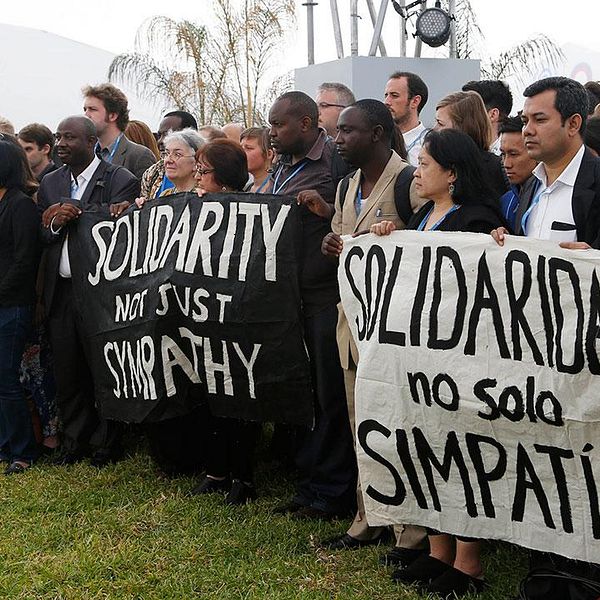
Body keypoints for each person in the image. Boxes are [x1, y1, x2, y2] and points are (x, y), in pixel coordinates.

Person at [371, 129, 506, 598]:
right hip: (419, 359)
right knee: (426, 450)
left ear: (451, 173)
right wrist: (390, 237)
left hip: (460, 360)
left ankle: (469, 565)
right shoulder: (426, 213)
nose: (418, 171)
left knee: (460, 454)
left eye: (426, 164)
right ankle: (437, 551)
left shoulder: (478, 219)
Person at [492, 75, 600, 596]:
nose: (527, 130)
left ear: (574, 124)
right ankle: (551, 563)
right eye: (526, 119)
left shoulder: (597, 185)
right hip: (538, 357)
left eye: (540, 120)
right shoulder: (530, 192)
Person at [317, 99, 427, 559]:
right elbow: (344, 244)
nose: (338, 139)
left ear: (378, 133)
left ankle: (411, 533)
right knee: (360, 425)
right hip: (352, 328)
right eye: (338, 131)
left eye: (348, 131)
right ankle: (368, 518)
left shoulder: (408, 182)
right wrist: (334, 243)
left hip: (396, 334)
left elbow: (434, 245)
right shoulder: (345, 187)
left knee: (400, 427)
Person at [265, 91, 357, 521]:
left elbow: (351, 221)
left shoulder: (336, 163)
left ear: (305, 123)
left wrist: (326, 211)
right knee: (305, 396)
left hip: (327, 297)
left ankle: (333, 491)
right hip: (289, 298)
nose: (272, 133)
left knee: (330, 397)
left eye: (279, 125)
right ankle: (308, 484)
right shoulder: (280, 165)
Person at [38, 115, 139, 467]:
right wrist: (52, 222)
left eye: (70, 137)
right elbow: (44, 235)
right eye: (58, 137)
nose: (62, 143)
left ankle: (107, 443)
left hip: (101, 292)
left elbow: (122, 228)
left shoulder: (119, 179)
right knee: (68, 370)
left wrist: (76, 211)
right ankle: (74, 440)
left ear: (92, 141)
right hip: (62, 290)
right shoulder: (50, 182)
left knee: (103, 369)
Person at [189, 138, 259, 504]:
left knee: (240, 399)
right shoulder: (193, 207)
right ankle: (216, 470)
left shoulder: (253, 208)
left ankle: (242, 477)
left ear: (225, 174)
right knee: (210, 395)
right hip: (205, 315)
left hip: (241, 317)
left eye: (204, 170)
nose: (198, 176)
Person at [0, 140, 41, 474]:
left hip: (12, 305)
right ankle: (5, 444)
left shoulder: (20, 205)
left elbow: (25, 261)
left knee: (7, 378)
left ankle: (23, 451)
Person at [434, 90, 509, 200]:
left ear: (462, 127)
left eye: (440, 123)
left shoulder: (494, 169)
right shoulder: (437, 162)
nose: (434, 129)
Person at [82, 83, 156, 179]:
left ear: (112, 115)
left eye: (93, 109)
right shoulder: (85, 154)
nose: (86, 115)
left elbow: (145, 193)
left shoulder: (139, 156)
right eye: (85, 109)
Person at [136, 129, 204, 208]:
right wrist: (145, 207)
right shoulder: (165, 195)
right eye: (167, 153)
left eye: (177, 154)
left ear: (196, 162)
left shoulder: (206, 196)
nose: (168, 160)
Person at [141, 110, 199, 200]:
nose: (160, 141)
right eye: (159, 135)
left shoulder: (208, 178)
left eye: (177, 154)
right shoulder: (153, 173)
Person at [498, 115, 538, 230]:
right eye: (503, 154)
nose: (506, 163)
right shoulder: (506, 202)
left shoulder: (548, 198)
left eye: (513, 154)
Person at [384, 71, 429, 166]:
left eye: (394, 96)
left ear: (415, 101)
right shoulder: (380, 141)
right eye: (386, 95)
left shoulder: (430, 144)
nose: (386, 101)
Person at [462, 79, 513, 154]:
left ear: (493, 115)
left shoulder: (513, 158)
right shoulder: (459, 153)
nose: (461, 117)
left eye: (469, 111)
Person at [240, 127, 274, 193]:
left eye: (248, 148)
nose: (241, 152)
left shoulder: (277, 187)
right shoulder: (247, 188)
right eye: (241, 148)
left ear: (269, 154)